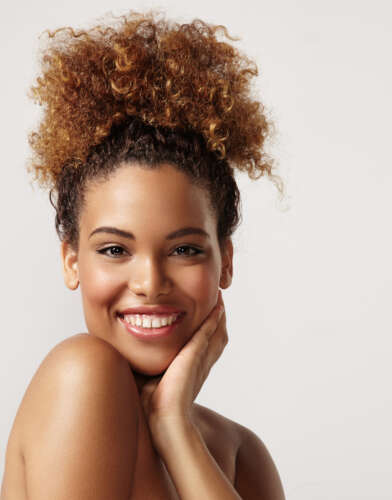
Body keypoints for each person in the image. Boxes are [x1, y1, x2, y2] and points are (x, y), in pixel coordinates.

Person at [0, 10, 286, 499]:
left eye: (184, 249)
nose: (150, 281)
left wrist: (175, 427)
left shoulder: (241, 454)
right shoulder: (83, 376)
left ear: (227, 261)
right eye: (115, 249)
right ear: (71, 260)